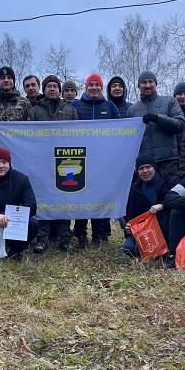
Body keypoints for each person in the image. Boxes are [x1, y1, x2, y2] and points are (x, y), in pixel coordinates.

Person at [27, 75, 79, 252]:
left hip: (65, 160)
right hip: (41, 162)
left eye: (55, 86)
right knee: (43, 198)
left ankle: (65, 238)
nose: (52, 89)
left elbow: (78, 135)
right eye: (48, 86)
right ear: (44, 89)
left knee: (63, 198)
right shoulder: (35, 111)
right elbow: (27, 136)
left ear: (59, 90)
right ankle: (41, 238)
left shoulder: (70, 110)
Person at [71, 73, 121, 248]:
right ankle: (80, 233)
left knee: (102, 195)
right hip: (80, 159)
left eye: (97, 85)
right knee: (81, 195)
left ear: (102, 88)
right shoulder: (75, 105)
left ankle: (102, 234)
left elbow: (119, 132)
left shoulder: (109, 106)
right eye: (90, 85)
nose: (94, 88)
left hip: (103, 160)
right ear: (86, 88)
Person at [122, 154, 180, 267]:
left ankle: (171, 250)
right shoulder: (135, 190)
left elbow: (181, 201)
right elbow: (131, 217)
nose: (145, 171)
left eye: (148, 167)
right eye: (141, 168)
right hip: (149, 233)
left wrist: (162, 205)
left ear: (154, 168)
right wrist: (129, 229)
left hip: (169, 227)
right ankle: (157, 250)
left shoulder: (170, 181)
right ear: (137, 171)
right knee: (128, 247)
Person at [125, 70, 185, 174]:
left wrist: (158, 118)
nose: (148, 85)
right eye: (144, 82)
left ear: (156, 84)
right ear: (139, 86)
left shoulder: (170, 101)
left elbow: (180, 125)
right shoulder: (132, 110)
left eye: (151, 82)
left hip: (168, 162)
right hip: (145, 165)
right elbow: (129, 140)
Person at [0, 66, 32, 152]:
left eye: (9, 77)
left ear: (13, 81)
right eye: (2, 78)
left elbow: (30, 131)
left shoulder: (25, 103)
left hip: (18, 151)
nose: (6, 80)